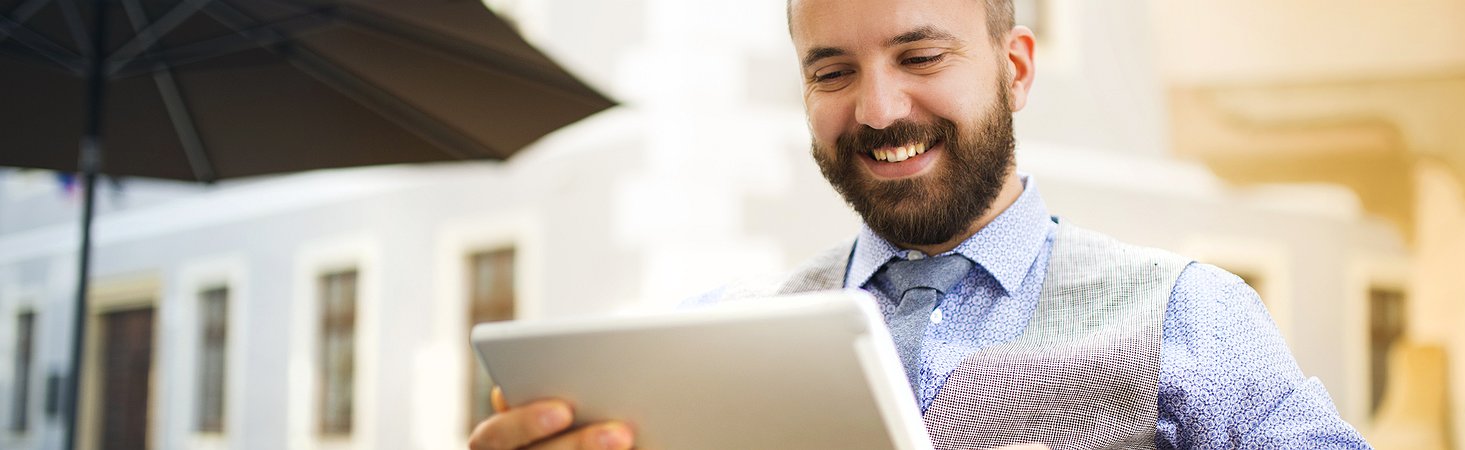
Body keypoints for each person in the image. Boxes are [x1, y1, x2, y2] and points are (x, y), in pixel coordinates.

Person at [469, 0, 1372, 448]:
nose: (877, 109)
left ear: (1016, 67)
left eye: (921, 54)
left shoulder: (1190, 320)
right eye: (831, 74)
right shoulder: (707, 347)